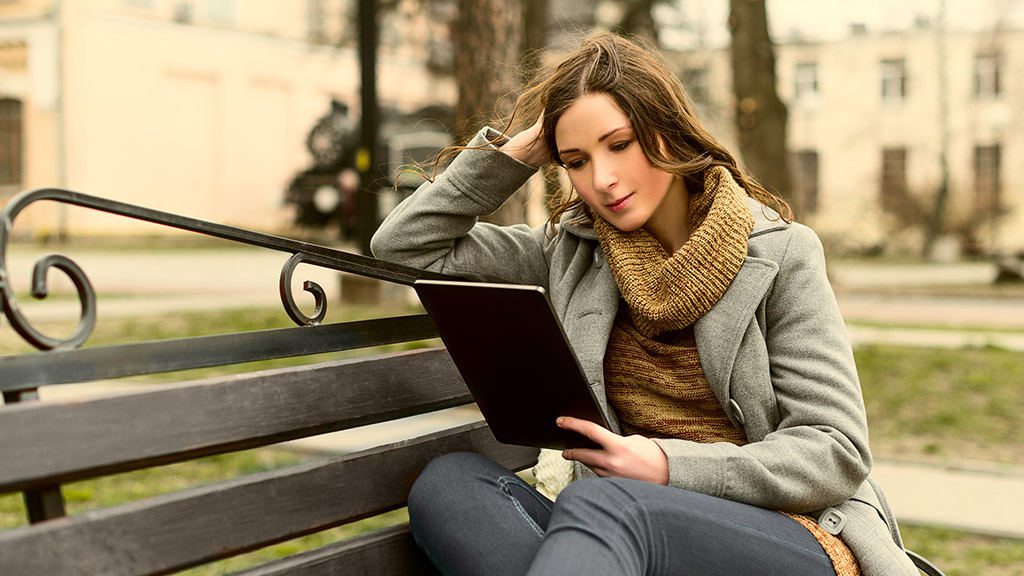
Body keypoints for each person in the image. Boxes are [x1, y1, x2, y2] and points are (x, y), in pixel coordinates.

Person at [371, 32, 919, 576]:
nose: (602, 180)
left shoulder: (783, 255)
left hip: (785, 531)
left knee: (608, 504)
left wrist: (665, 465)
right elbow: (405, 246)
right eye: (576, 160)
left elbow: (834, 450)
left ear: (665, 129)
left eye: (619, 144)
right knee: (451, 485)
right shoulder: (569, 252)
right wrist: (514, 155)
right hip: (622, 528)